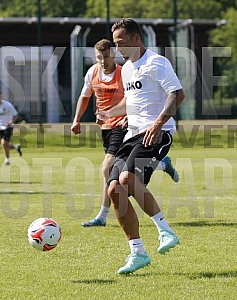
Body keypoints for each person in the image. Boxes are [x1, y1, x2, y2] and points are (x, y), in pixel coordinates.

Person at [100, 18, 185, 274]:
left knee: (126, 178)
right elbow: (133, 100)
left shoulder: (156, 62)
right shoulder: (126, 68)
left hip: (157, 134)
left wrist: (158, 124)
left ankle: (165, 231)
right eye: (115, 43)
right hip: (132, 136)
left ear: (137, 39)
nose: (118, 48)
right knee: (114, 188)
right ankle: (137, 252)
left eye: (121, 42)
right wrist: (110, 113)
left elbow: (177, 94)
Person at [71, 39, 179, 228]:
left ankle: (102, 216)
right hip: (106, 126)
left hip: (123, 126)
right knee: (119, 174)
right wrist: (77, 119)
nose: (103, 61)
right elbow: (85, 96)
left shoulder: (125, 70)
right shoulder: (92, 72)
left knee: (108, 169)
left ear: (112, 54)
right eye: (99, 57)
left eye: (106, 56)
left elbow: (138, 98)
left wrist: (128, 115)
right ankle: (162, 164)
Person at [0, 90, 22, 165]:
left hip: (8, 126)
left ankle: (7, 160)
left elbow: (16, 115)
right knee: (5, 144)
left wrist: (10, 122)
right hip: (0, 127)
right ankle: (16, 147)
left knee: (3, 143)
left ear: (1, 96)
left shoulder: (8, 105)